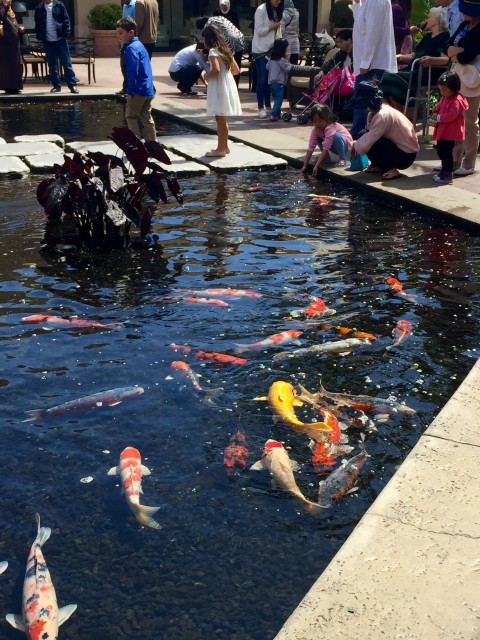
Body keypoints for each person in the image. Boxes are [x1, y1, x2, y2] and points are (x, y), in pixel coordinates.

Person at [380, 7, 450, 111]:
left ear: (436, 20)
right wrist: (399, 57)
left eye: (429, 17)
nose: (426, 20)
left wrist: (431, 60)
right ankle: (399, 116)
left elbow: (446, 59)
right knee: (384, 77)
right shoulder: (427, 37)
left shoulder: (444, 36)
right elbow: (414, 55)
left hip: (428, 72)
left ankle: (403, 116)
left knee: (391, 78)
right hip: (412, 70)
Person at [349, 80, 419, 179]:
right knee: (362, 134)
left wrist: (355, 145)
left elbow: (366, 144)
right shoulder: (375, 113)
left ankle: (391, 168)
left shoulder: (383, 115)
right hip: (398, 150)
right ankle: (378, 165)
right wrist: (357, 143)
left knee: (368, 139)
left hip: (405, 156)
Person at [350, 0, 397, 138]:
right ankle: (359, 139)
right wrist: (357, 4)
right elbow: (361, 25)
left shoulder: (376, 1)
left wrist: (366, 61)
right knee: (362, 102)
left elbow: (373, 33)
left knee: (363, 103)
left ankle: (359, 140)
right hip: (366, 61)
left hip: (371, 63)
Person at [447, 0, 480, 176]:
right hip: (458, 77)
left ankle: (468, 164)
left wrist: (455, 52)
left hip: (472, 79)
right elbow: (448, 46)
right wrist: (457, 51)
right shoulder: (465, 25)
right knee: (456, 119)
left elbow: (467, 55)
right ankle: (454, 160)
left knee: (470, 122)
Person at [200, 24, 241, 157]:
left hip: (219, 85)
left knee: (219, 117)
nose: (203, 41)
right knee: (223, 117)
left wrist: (206, 76)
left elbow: (216, 70)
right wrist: (226, 74)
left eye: (204, 38)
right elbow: (236, 70)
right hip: (228, 82)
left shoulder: (212, 51)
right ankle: (225, 146)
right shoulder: (226, 50)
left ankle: (220, 149)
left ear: (208, 38)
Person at [116, 16, 156, 142]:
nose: (119, 36)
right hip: (148, 88)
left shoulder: (131, 48)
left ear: (131, 32)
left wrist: (130, 91)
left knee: (130, 116)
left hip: (138, 89)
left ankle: (137, 144)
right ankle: (152, 144)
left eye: (121, 33)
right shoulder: (140, 45)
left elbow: (133, 72)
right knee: (146, 117)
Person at [430, 70, 467, 184]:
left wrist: (439, 117)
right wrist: (436, 109)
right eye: (441, 90)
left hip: (450, 132)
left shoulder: (456, 100)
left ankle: (447, 174)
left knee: (446, 152)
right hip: (444, 131)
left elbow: (452, 115)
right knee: (441, 150)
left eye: (444, 90)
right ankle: (444, 170)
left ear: (453, 88)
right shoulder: (445, 98)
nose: (442, 92)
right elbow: (441, 106)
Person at [34, 0, 78, 94]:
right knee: (52, 65)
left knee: (66, 64)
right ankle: (56, 86)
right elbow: (37, 23)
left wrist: (66, 33)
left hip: (60, 40)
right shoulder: (39, 8)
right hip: (47, 41)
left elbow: (66, 19)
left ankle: (72, 85)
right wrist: (39, 35)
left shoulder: (59, 5)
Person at [252, 0, 284, 119]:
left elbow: (278, 31)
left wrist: (281, 48)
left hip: (273, 50)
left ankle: (268, 105)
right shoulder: (261, 10)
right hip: (261, 50)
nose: (278, 1)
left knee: (271, 80)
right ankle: (261, 107)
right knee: (262, 79)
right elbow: (259, 31)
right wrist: (273, 27)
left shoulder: (277, 10)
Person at [301, 104, 353, 174]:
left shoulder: (330, 128)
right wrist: (305, 165)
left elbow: (326, 148)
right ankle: (326, 157)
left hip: (346, 147)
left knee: (336, 136)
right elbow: (311, 147)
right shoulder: (316, 129)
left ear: (327, 119)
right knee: (318, 138)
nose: (317, 124)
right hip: (334, 146)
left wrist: (316, 166)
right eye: (314, 121)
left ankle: (342, 159)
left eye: (320, 121)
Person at [196, 15, 245, 87]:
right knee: (235, 66)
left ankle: (221, 85)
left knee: (223, 65)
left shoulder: (208, 25)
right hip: (240, 40)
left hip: (229, 42)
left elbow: (210, 38)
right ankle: (234, 86)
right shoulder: (219, 17)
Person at [0, 0, 24, 94]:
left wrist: (18, 28)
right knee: (8, 65)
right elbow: (2, 17)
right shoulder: (2, 9)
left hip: (14, 44)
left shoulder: (11, 10)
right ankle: (8, 87)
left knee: (16, 64)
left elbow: (11, 23)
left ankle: (16, 86)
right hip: (6, 43)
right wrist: (5, 7)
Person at [266, 38, 291, 120]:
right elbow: (287, 69)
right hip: (279, 82)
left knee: (276, 98)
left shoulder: (271, 59)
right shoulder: (282, 60)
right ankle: (274, 113)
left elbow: (267, 67)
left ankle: (277, 113)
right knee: (279, 99)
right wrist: (289, 61)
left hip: (271, 82)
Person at [119, 0, 137, 94]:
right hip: (124, 40)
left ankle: (130, 89)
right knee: (123, 65)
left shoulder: (136, 5)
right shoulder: (125, 6)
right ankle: (126, 88)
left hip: (131, 40)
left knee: (130, 66)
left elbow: (136, 24)